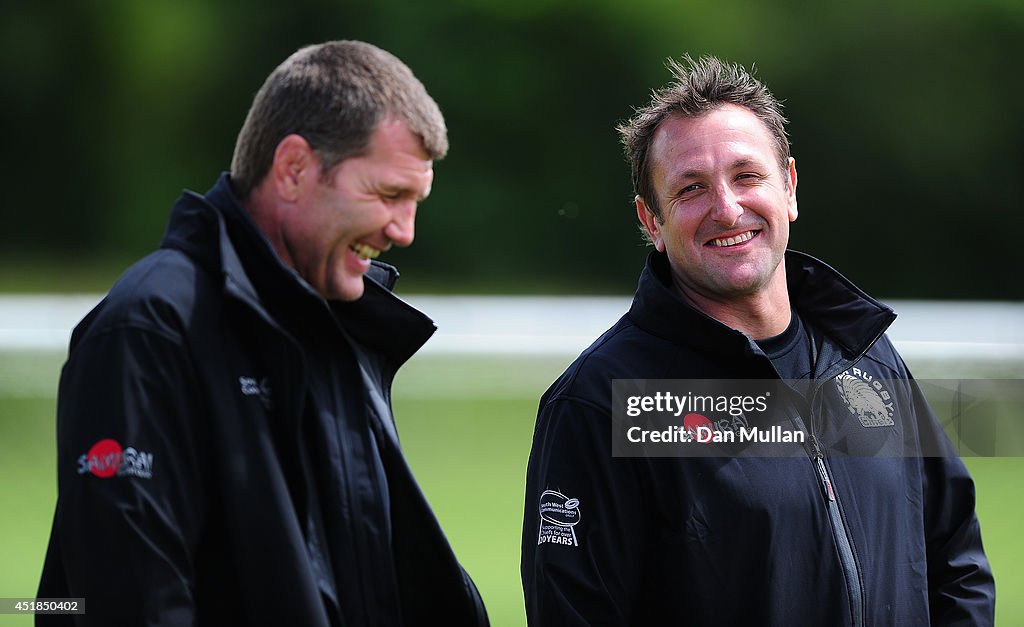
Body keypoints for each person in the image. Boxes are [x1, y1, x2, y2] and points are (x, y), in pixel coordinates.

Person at [521, 55, 994, 625]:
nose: (727, 208)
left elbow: (956, 560)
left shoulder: (865, 354)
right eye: (691, 188)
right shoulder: (604, 401)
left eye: (747, 177)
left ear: (789, 187)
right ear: (651, 221)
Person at [38, 41, 488, 626]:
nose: (403, 230)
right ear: (294, 168)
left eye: (416, 200)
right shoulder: (150, 329)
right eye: (388, 195)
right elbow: (129, 605)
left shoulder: (333, 323)